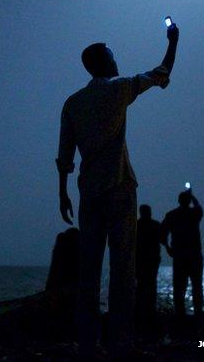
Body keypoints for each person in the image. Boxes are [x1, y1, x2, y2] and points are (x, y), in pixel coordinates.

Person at [56, 24, 179, 358]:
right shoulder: (120, 89)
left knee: (88, 272)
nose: (116, 62)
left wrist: (62, 194)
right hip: (120, 187)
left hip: (88, 193)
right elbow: (161, 72)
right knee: (123, 270)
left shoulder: (73, 103)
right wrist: (173, 42)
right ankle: (120, 341)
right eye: (112, 57)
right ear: (102, 64)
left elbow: (64, 157)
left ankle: (87, 342)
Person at [161, 189, 204, 317]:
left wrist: (167, 247)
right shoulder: (193, 213)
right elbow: (199, 208)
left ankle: (180, 313)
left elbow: (162, 233)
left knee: (179, 286)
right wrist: (193, 196)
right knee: (196, 285)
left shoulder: (172, 215)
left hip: (180, 255)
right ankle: (198, 312)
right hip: (193, 254)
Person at [135, 204, 161, 332]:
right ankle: (147, 311)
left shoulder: (137, 226)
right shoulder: (154, 225)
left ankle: (144, 311)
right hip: (147, 260)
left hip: (146, 261)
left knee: (144, 286)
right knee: (147, 286)